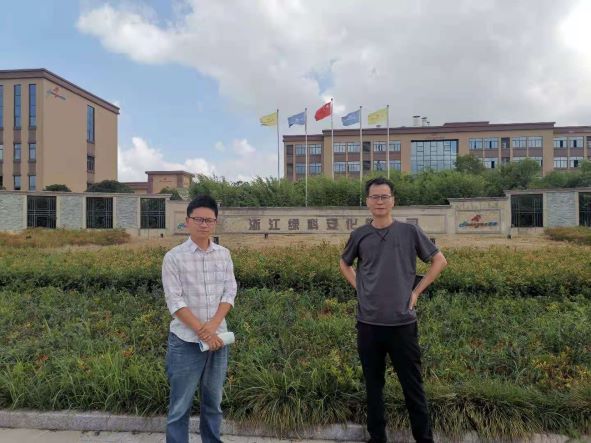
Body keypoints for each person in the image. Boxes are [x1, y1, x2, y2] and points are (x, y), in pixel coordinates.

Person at [339, 177, 447, 443]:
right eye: (374, 197)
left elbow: (439, 261)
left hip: (402, 324)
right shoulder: (359, 235)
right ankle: (378, 438)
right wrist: (360, 287)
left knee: (413, 387)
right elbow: (344, 263)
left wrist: (416, 291)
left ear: (393, 201)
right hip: (369, 324)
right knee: (373, 387)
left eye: (384, 196)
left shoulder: (409, 232)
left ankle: (424, 439)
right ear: (367, 201)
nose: (380, 201)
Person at [162, 195, 237, 443]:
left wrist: (213, 326)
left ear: (215, 222)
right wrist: (203, 331)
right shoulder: (173, 257)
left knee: (213, 402)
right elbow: (175, 301)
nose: (204, 224)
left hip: (218, 341)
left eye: (209, 220)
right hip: (185, 342)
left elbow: (229, 292)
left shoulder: (224, 254)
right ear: (187, 221)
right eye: (198, 219)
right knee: (180, 405)